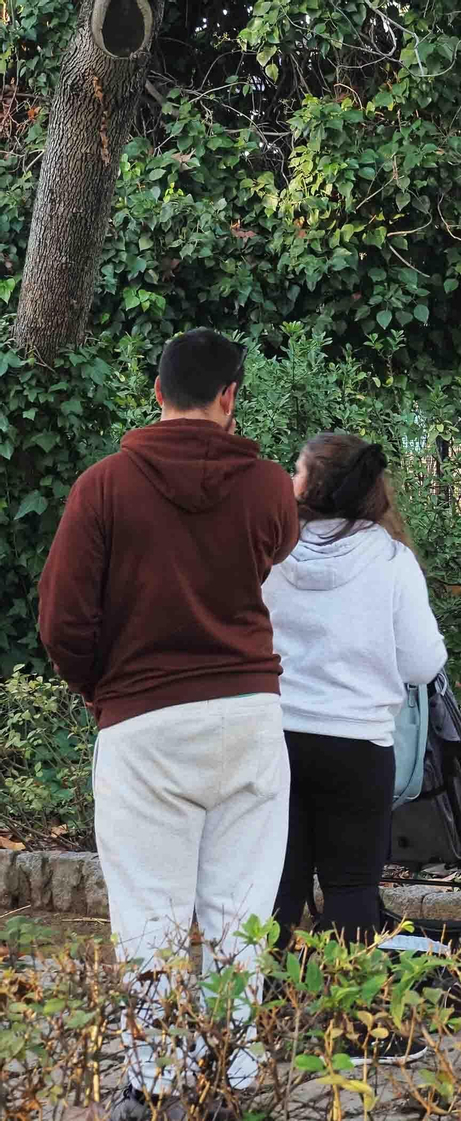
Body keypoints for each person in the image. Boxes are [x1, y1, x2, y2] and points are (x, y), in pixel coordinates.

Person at [37, 329, 299, 1121]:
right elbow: (274, 564)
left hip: (143, 723)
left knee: (149, 913)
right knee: (240, 912)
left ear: (156, 391)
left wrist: (106, 690)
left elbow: (61, 622)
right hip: (249, 714)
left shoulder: (103, 487)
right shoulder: (269, 487)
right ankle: (232, 1077)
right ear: (230, 395)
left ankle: (153, 1085)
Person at [264, 434, 446, 982]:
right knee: (351, 890)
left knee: (276, 885)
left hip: (276, 736)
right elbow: (422, 664)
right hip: (358, 745)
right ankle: (347, 1009)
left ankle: (262, 1005)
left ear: (312, 487)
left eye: (297, 469)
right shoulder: (390, 560)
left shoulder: (270, 552)